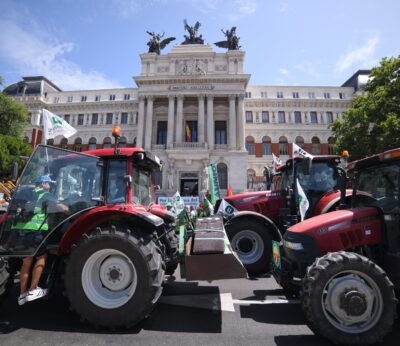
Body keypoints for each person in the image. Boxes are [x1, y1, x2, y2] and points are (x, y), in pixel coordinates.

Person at [16, 175, 69, 306]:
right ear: (43, 184)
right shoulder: (44, 194)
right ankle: (33, 289)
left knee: (27, 261)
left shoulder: (26, 192)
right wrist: (71, 211)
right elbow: (61, 207)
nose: (50, 186)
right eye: (49, 184)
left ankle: (22, 294)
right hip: (34, 231)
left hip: (20, 230)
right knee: (42, 257)